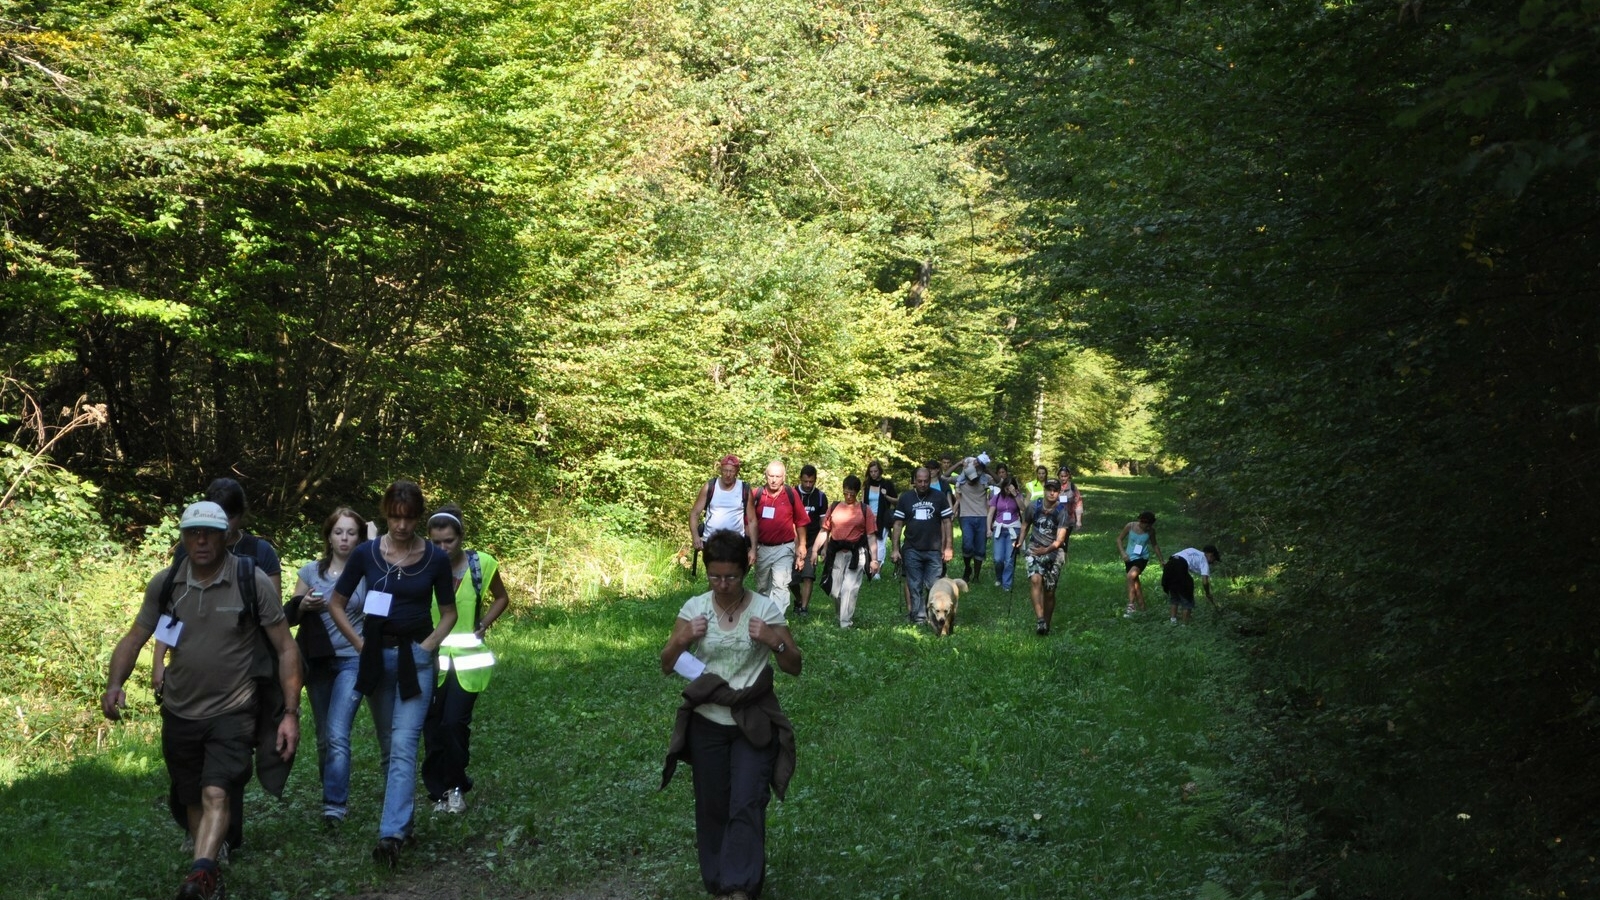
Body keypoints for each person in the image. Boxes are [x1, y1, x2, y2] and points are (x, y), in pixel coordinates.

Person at [101, 501, 301, 900]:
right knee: (191, 795)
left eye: (210, 532)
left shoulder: (251, 580)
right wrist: (114, 682)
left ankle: (201, 875)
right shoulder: (167, 582)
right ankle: (208, 871)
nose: (202, 540)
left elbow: (285, 648)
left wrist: (290, 712)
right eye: (193, 532)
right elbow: (135, 635)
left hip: (234, 709)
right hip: (179, 709)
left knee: (216, 791)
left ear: (226, 535)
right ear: (183, 537)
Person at [660, 529, 801, 900]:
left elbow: (794, 665)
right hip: (707, 723)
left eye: (732, 577)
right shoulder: (694, 609)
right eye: (715, 576)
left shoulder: (764, 610)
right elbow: (666, 663)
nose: (723, 584)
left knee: (747, 801)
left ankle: (740, 887)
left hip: (752, 722)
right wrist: (682, 638)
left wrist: (775, 641)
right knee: (712, 805)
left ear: (746, 570)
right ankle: (720, 882)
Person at [153, 477, 289, 857]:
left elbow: (271, 614)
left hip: (248, 668)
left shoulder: (259, 555)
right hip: (189, 686)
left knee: (229, 764)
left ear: (240, 517)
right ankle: (204, 840)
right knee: (194, 774)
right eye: (217, 515)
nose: (222, 526)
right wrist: (159, 658)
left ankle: (224, 840)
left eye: (230, 516)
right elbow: (172, 613)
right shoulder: (188, 557)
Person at [326, 480, 458, 869]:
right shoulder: (367, 554)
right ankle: (404, 822)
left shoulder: (433, 557)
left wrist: (427, 647)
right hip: (375, 657)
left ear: (418, 517)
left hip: (414, 660)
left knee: (404, 744)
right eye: (395, 517)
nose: (401, 525)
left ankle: (391, 835)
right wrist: (360, 644)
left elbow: (448, 612)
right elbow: (336, 603)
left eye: (409, 517)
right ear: (386, 514)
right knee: (388, 745)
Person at [422, 504, 511, 815]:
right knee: (431, 727)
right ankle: (439, 793)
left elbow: (502, 596)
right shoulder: (422, 564)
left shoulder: (481, 564)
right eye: (436, 542)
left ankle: (457, 786)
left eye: (449, 541)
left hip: (468, 663)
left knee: (454, 724)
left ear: (461, 537)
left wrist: (484, 623)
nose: (443, 548)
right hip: (430, 660)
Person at [285, 507, 371, 828]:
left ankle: (334, 806)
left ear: (360, 537)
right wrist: (303, 604)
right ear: (328, 536)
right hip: (318, 661)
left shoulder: (368, 571)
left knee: (337, 733)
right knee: (323, 737)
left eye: (351, 532)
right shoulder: (310, 572)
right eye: (339, 532)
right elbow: (290, 614)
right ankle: (330, 791)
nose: (345, 538)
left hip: (354, 659)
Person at [890, 467, 954, 625]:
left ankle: (933, 613)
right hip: (912, 548)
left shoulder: (939, 497)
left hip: (934, 549)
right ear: (914, 481)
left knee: (933, 585)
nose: (923, 484)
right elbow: (897, 524)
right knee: (914, 583)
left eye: (926, 481)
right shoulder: (905, 498)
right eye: (920, 481)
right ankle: (919, 616)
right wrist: (895, 549)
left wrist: (948, 547)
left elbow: (947, 522)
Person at [813, 475, 880, 628]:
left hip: (856, 553)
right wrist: (814, 550)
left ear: (857, 493)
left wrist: (874, 560)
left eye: (852, 493)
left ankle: (845, 623)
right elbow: (825, 530)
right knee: (835, 591)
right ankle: (840, 615)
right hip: (837, 553)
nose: (848, 496)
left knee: (849, 588)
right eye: (846, 493)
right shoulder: (835, 507)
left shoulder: (865, 510)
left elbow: (871, 536)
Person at [751, 461, 808, 612]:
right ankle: (763, 616)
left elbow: (801, 521)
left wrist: (801, 545)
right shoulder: (756, 494)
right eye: (771, 476)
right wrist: (751, 548)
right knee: (762, 586)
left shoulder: (791, 494)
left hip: (784, 547)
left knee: (780, 584)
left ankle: (776, 621)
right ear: (766, 476)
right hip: (762, 547)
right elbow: (748, 522)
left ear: (784, 477)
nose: (774, 480)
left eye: (778, 476)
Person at [689, 454, 758, 567]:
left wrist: (753, 549)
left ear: (737, 471)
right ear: (720, 469)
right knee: (715, 576)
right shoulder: (710, 486)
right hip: (711, 542)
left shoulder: (744, 489)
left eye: (731, 471)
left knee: (732, 576)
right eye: (725, 470)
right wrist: (695, 537)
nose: (728, 474)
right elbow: (694, 513)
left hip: (735, 543)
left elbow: (752, 521)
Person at [1025, 479, 1071, 635]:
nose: (1052, 492)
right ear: (1044, 490)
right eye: (1049, 489)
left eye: (1055, 490)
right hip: (1034, 549)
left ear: (1059, 493)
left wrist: (1046, 550)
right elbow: (1025, 524)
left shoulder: (1062, 512)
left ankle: (1046, 625)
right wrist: (1018, 542)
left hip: (1054, 552)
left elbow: (1060, 540)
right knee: (1035, 579)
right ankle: (1040, 619)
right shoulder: (1033, 506)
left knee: (1050, 591)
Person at [1116, 511, 1164, 617]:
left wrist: (1161, 560)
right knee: (1135, 583)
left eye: (1150, 525)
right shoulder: (1130, 526)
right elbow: (1119, 539)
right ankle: (1143, 609)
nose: (1148, 527)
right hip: (1129, 558)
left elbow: (1155, 545)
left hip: (1142, 558)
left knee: (1130, 576)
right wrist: (1123, 553)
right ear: (1141, 521)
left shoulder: (1151, 531)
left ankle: (1131, 606)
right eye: (1146, 525)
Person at [953, 458, 991, 584]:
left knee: (980, 548)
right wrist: (959, 463)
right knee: (967, 544)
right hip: (966, 516)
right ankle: (967, 568)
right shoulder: (960, 482)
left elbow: (999, 481)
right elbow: (944, 476)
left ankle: (976, 576)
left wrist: (984, 467)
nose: (972, 479)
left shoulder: (984, 480)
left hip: (982, 516)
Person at [1162, 545, 1221, 624]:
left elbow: (1178, 557)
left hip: (1169, 565)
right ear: (1211, 555)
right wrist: (1208, 593)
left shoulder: (1192, 550)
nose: (1212, 562)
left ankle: (1173, 621)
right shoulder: (1204, 560)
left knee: (1174, 594)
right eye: (1214, 559)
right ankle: (1185, 626)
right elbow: (1205, 582)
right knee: (1187, 597)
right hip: (1179, 567)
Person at [986, 475, 1025, 591]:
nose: (1008, 490)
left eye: (1010, 488)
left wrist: (1015, 495)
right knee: (998, 559)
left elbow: (1023, 508)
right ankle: (999, 577)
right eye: (1006, 488)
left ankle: (1006, 585)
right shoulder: (997, 497)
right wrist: (988, 529)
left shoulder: (1018, 496)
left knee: (1009, 559)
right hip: (999, 529)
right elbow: (990, 514)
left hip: (1013, 529)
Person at [863, 460, 897, 576]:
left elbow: (896, 501)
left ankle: (878, 570)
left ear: (880, 471)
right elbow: (863, 502)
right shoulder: (866, 485)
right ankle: (868, 567)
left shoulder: (887, 484)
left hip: (882, 518)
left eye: (875, 471)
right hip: (869, 517)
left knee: (880, 543)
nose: (873, 474)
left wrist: (885, 496)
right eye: (871, 471)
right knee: (868, 542)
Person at [1057, 466, 1085, 547]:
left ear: (1069, 476)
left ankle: (1063, 558)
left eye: (1065, 476)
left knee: (1064, 542)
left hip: (1069, 519)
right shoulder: (1055, 486)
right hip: (1056, 519)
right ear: (1058, 476)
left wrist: (1078, 521)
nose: (1063, 478)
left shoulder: (1072, 487)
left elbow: (1078, 503)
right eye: (1061, 476)